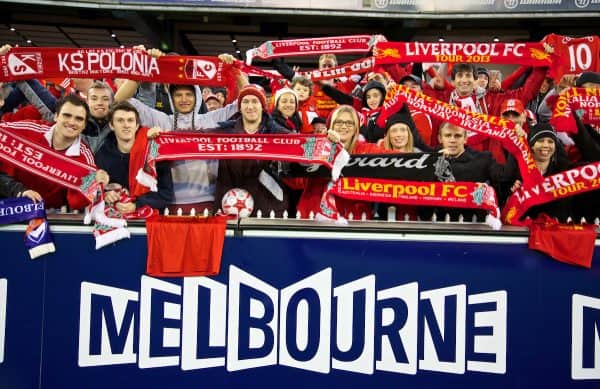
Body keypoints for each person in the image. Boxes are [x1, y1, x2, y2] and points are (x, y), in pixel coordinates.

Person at [114, 48, 248, 213]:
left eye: (189, 94)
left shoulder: (211, 119)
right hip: (169, 204)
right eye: (178, 95)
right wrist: (144, 67)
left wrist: (234, 70)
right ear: (171, 98)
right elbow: (120, 101)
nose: (184, 99)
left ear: (197, 97)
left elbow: (247, 101)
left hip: (208, 202)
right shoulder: (162, 120)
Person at [0, 94, 108, 210]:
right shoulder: (30, 130)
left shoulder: (84, 158)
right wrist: (17, 190)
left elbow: (76, 203)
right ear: (56, 116)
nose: (72, 122)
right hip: (8, 202)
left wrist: (95, 183)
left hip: (48, 216)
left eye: (79, 119)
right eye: (67, 115)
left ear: (84, 125)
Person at [286, 105, 385, 220]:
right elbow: (296, 181)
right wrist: (328, 146)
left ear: (356, 128)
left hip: (354, 217)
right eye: (338, 122)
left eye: (349, 123)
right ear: (330, 126)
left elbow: (397, 161)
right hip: (314, 215)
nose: (344, 126)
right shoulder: (316, 146)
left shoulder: (368, 150)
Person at [213, 84, 290, 216]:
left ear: (262, 106)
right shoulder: (225, 132)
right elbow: (200, 136)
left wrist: (327, 139)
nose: (250, 107)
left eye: (255, 101)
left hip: (268, 208)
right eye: (245, 102)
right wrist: (169, 137)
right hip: (230, 206)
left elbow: (303, 143)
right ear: (240, 107)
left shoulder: (278, 133)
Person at [419, 122, 517, 221]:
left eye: (457, 136)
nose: (452, 140)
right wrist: (437, 160)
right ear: (440, 138)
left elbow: (505, 178)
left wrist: (514, 143)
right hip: (437, 225)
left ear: (465, 138)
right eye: (448, 135)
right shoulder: (427, 160)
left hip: (475, 226)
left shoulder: (483, 159)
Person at [95, 101, 173, 213]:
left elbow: (166, 195)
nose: (126, 125)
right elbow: (91, 189)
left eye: (130, 120)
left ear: (137, 126)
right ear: (111, 125)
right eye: (120, 120)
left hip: (147, 219)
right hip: (114, 219)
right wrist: (104, 195)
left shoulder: (155, 152)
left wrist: (136, 205)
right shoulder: (102, 155)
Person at [510, 124, 572, 222]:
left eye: (550, 142)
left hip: (555, 230)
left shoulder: (563, 170)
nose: (546, 145)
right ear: (532, 145)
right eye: (540, 141)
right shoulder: (516, 171)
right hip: (523, 232)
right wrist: (514, 194)